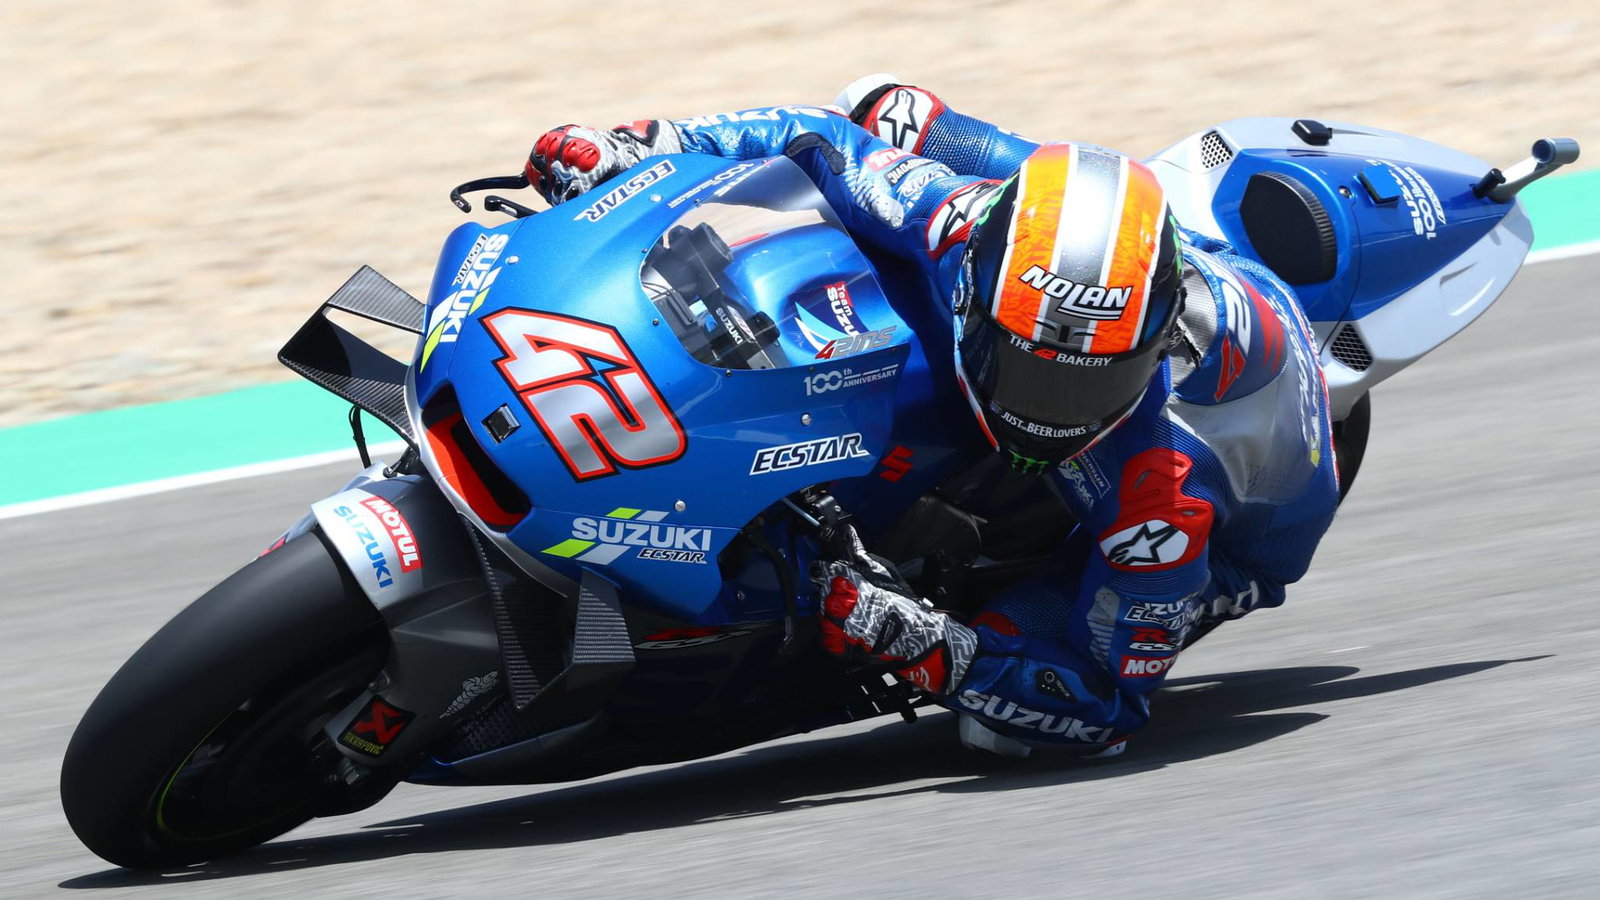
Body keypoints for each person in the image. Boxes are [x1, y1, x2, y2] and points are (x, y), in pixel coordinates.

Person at [523, 77, 1342, 757]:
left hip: (1239, 534)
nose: (1045, 412)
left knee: (1001, 731)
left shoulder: (1161, 501)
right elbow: (814, 138)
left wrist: (928, 649)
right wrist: (644, 146)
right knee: (884, 109)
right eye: (1029, 369)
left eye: (1084, 384)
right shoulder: (959, 223)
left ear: (1149, 349)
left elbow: (1102, 706)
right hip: (1140, 260)